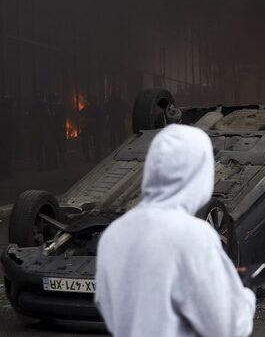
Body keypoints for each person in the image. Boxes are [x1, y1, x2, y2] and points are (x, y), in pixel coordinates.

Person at [95, 124, 255, 337]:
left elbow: (105, 302)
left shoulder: (114, 233)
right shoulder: (193, 236)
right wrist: (246, 296)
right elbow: (227, 327)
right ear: (200, 174)